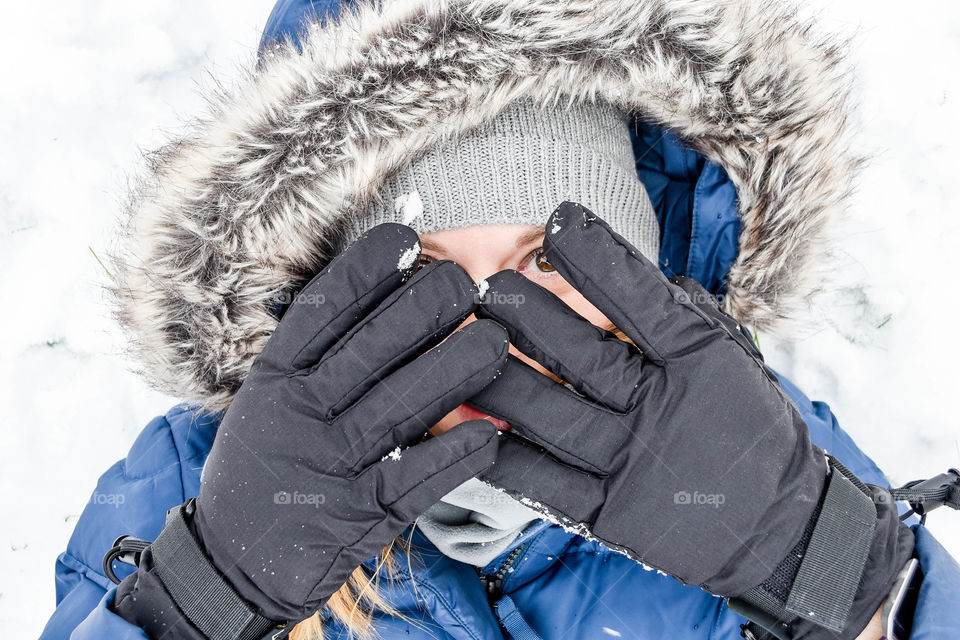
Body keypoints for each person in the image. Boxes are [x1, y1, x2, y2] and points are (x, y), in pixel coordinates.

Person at [39, 1, 960, 639]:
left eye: (545, 267)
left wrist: (829, 570)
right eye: (429, 274)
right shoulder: (196, 484)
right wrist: (206, 598)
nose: (492, 337)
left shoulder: (759, 452)